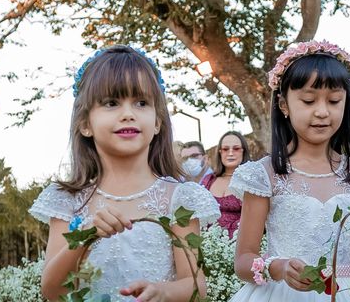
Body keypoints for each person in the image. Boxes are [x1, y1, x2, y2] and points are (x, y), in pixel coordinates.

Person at [229, 40, 350, 302]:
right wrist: (278, 267)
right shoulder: (264, 175)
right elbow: (243, 260)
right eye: (308, 100)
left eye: (333, 101)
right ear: (284, 105)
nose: (321, 112)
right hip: (284, 294)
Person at [29, 46, 220, 301]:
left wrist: (163, 292)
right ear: (85, 124)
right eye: (111, 103)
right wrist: (85, 237)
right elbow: (52, 291)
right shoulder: (67, 200)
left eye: (141, 103)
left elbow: (196, 286)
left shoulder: (180, 198)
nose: (128, 114)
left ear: (157, 122)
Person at [201, 131, 250, 237]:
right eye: (225, 149)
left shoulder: (251, 181)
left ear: (243, 151)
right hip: (208, 243)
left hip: (240, 243)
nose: (230, 153)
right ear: (220, 152)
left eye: (236, 149)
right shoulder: (209, 180)